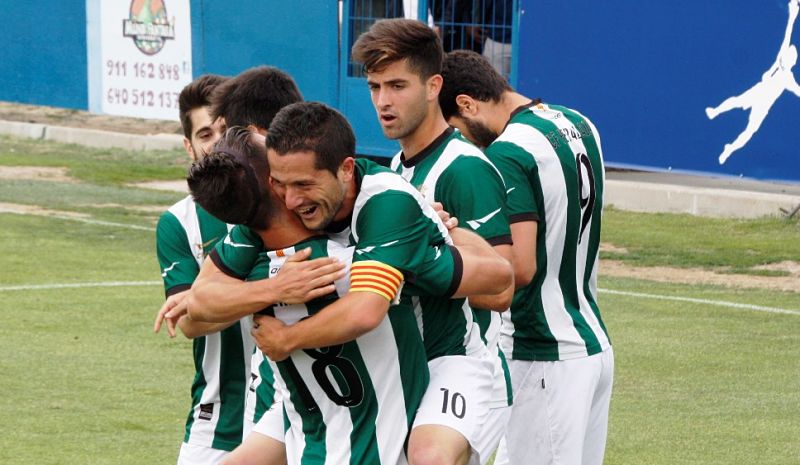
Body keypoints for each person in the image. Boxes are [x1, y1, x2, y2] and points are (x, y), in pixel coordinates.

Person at [183, 101, 512, 465]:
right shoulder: (263, 228)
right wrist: (275, 290)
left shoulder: (386, 207)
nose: (293, 198)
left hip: (445, 355)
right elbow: (193, 312)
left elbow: (500, 281)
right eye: (281, 183)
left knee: (429, 456)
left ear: (344, 170)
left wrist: (437, 229)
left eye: (303, 184)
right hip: (344, 382)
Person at [186, 127, 429, 465]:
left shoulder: (250, 277)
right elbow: (491, 277)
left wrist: (271, 293)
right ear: (277, 184)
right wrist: (428, 224)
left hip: (310, 450)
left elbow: (194, 307)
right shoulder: (348, 268)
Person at [439, 49, 614, 465]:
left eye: (457, 130)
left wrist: (447, 239)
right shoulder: (577, 121)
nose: (462, 142)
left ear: (466, 103)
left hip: (543, 350)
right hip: (591, 342)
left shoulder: (507, 153)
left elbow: (519, 268)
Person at [352, 18, 514, 464]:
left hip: (462, 359)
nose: (383, 101)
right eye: (374, 87)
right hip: (409, 360)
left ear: (432, 86)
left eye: (397, 85)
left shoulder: (464, 167)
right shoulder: (396, 168)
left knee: (429, 457)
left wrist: (434, 243)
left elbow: (502, 289)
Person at [154, 73, 259, 465]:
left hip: (292, 407)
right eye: (203, 135)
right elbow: (192, 320)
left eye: (223, 131)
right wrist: (277, 290)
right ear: (189, 147)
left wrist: (215, 299)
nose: (217, 144)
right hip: (218, 414)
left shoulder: (286, 201)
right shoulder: (178, 224)